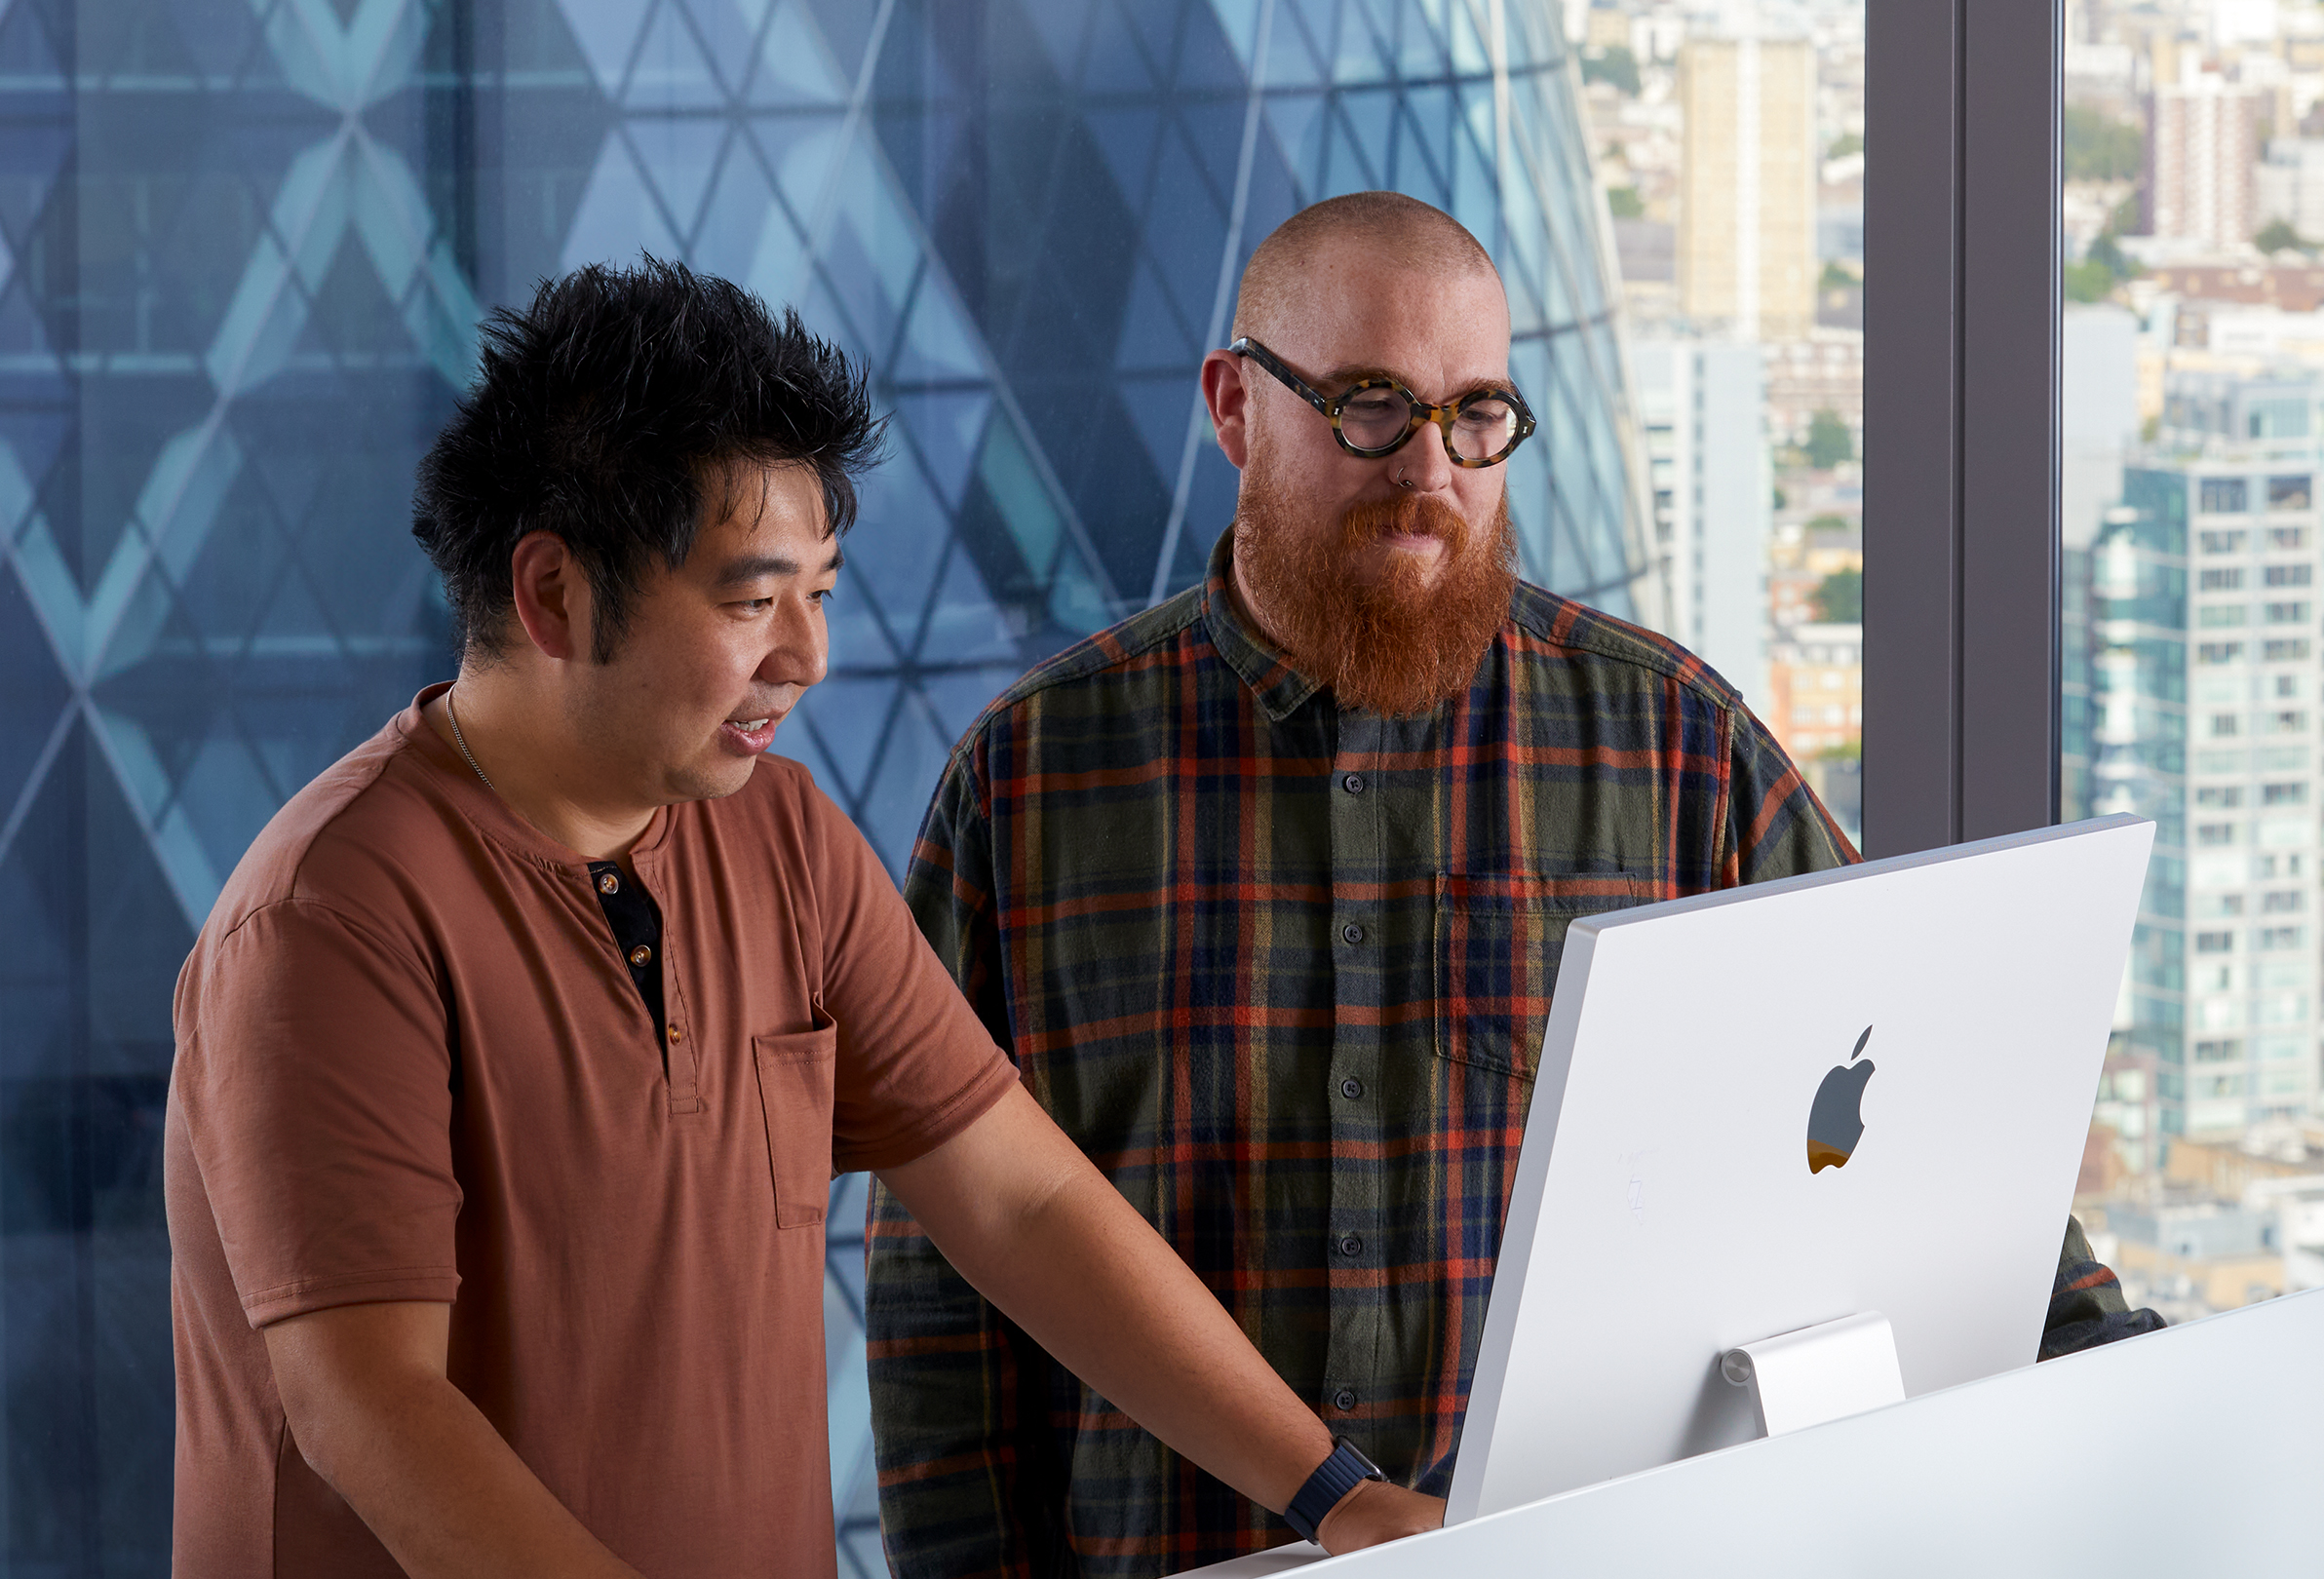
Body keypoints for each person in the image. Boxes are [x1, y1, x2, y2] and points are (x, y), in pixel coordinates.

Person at [865, 192, 2162, 1576]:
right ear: (1235, 407)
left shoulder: (1675, 746)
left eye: (1477, 413)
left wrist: (2131, 1396)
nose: (1432, 467)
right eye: (1371, 405)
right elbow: (943, 1300)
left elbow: (1906, 1117)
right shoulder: (1034, 780)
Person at [163, 259, 1441, 1578]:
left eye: (820, 595)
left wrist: (1335, 1499)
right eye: (750, 601)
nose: (807, 658)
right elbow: (367, 1407)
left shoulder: (782, 839)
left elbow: (1023, 1201)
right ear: (552, 594)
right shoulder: (330, 916)